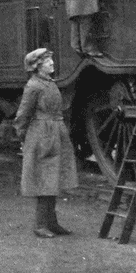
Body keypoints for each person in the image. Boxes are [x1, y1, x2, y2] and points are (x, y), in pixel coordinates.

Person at [13, 48, 78, 238]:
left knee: (53, 178)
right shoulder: (33, 86)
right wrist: (24, 138)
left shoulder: (49, 83)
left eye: (51, 60)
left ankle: (52, 223)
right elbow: (22, 115)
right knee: (45, 180)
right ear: (38, 66)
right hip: (42, 136)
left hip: (55, 133)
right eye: (48, 61)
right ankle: (40, 225)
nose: (52, 63)